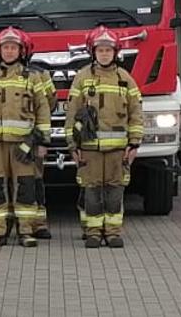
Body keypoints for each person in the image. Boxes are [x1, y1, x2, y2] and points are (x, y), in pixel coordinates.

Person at [0, 27, 53, 247]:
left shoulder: (32, 77)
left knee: (25, 187)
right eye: (6, 47)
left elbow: (43, 110)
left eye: (14, 48)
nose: (10, 51)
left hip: (24, 145)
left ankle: (26, 231)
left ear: (21, 51)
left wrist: (42, 141)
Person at [68, 26, 144, 249]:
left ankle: (112, 232)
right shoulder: (82, 78)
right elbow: (72, 113)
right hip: (89, 148)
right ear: (93, 52)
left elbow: (136, 113)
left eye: (108, 50)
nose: (104, 54)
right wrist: (73, 144)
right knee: (91, 191)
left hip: (118, 150)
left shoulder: (125, 79)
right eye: (100, 50)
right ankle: (92, 232)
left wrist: (134, 143)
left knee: (114, 192)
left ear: (115, 52)